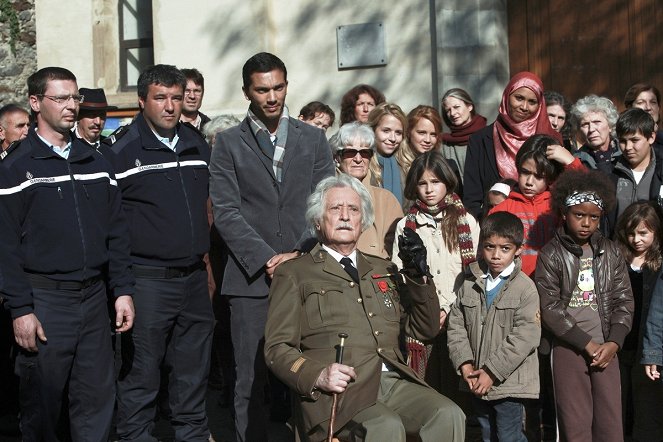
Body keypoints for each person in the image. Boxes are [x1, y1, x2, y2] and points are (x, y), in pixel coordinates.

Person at [264, 174, 466, 442]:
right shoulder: (295, 273)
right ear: (317, 220)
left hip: (393, 381)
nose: (345, 216)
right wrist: (317, 375)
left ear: (364, 221)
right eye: (335, 209)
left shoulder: (384, 269)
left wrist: (420, 278)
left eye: (354, 209)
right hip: (339, 392)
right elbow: (276, 349)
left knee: (449, 414)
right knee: (385, 426)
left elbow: (425, 329)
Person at [0, 66, 135, 440]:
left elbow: (117, 232)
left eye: (74, 97)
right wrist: (21, 309)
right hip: (44, 301)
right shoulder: (15, 168)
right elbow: (5, 247)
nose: (71, 106)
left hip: (95, 299)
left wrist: (122, 289)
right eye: (60, 98)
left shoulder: (97, 161)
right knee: (43, 411)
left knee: (96, 407)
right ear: (35, 103)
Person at [209, 52, 334, 441]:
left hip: (306, 269)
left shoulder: (311, 138)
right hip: (250, 279)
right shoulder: (228, 143)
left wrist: (296, 254)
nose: (272, 96)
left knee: (310, 370)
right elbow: (226, 212)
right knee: (250, 377)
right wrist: (267, 257)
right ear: (247, 91)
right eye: (262, 89)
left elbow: (324, 201)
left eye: (278, 87)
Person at [100, 64, 214, 442]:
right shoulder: (120, 151)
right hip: (147, 281)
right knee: (140, 378)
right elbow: (111, 228)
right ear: (142, 100)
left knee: (193, 378)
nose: (170, 106)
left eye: (176, 98)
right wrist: (123, 289)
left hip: (194, 280)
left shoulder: (197, 144)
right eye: (160, 98)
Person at [535, 169, 634, 442]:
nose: (587, 223)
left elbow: (624, 300)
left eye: (594, 217)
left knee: (611, 423)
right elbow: (550, 307)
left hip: (607, 348)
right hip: (569, 348)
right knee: (574, 423)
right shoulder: (551, 254)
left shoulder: (612, 252)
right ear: (564, 213)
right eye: (579, 215)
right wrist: (585, 343)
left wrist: (613, 342)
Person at [391, 150, 479, 400]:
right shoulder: (405, 225)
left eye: (435, 182)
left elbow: (472, 274)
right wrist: (428, 311)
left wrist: (449, 310)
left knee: (457, 393)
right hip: (421, 319)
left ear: (447, 182)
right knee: (426, 391)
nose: (429, 189)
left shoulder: (467, 221)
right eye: (422, 183)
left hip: (459, 317)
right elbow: (400, 275)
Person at [448, 211, 541, 442]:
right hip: (476, 380)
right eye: (489, 247)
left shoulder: (525, 288)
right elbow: (456, 325)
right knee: (487, 434)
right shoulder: (470, 283)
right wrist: (465, 364)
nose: (496, 255)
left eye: (505, 248)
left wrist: (492, 372)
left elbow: (525, 337)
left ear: (518, 249)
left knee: (509, 436)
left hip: (509, 383)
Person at [462, 71, 561, 220]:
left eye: (532, 102)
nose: (524, 107)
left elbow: (563, 189)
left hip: (541, 227)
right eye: (519, 98)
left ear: (540, 106)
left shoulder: (552, 140)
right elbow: (472, 199)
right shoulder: (480, 140)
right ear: (507, 97)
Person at [489, 134, 584, 277]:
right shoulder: (502, 210)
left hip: (555, 284)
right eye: (525, 172)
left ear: (551, 177)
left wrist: (570, 161)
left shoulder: (559, 206)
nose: (529, 181)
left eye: (539, 176)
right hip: (515, 288)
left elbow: (590, 198)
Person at [614, 202, 663, 441]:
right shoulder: (617, 261)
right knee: (620, 409)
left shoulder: (659, 264)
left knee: (648, 411)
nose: (636, 239)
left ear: (655, 232)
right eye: (631, 233)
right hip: (621, 347)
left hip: (648, 350)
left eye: (643, 233)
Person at [334, 121, 402, 258]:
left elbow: (396, 247)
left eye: (365, 153)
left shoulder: (386, 199)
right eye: (350, 152)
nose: (358, 159)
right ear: (337, 158)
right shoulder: (324, 196)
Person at [611, 108, 663, 220]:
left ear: (651, 138)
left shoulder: (660, 171)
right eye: (623, 141)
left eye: (634, 140)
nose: (628, 147)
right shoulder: (610, 172)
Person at [366, 102, 412, 206]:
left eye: (398, 133)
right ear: (372, 131)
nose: (392, 138)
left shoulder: (408, 166)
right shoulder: (362, 164)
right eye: (386, 131)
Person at [440, 88, 487, 181]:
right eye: (448, 110)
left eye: (456, 107)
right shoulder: (444, 144)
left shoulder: (488, 136)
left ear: (469, 106)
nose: (452, 113)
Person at [571, 95, 620, 174]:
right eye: (585, 124)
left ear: (610, 125)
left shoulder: (625, 152)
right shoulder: (577, 161)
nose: (591, 129)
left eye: (597, 122)